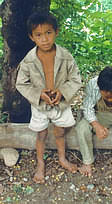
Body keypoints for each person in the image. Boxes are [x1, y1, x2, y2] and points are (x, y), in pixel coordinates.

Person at [16, 12, 82, 184]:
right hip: (39, 105)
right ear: (32, 37)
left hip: (61, 103)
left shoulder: (65, 56)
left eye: (48, 33)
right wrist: (39, 94)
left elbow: (75, 79)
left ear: (56, 32)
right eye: (39, 35)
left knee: (60, 131)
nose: (44, 39)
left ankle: (62, 158)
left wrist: (62, 92)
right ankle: (40, 164)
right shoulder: (29, 61)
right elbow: (21, 84)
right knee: (41, 134)